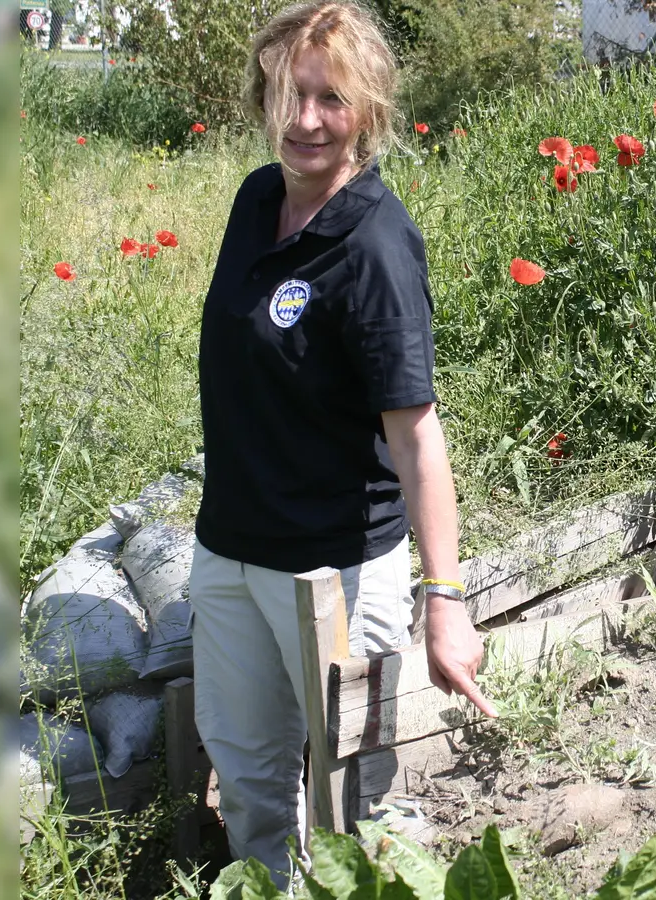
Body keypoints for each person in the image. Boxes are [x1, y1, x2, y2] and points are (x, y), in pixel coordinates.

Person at [187, 0, 495, 886]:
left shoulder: (377, 245)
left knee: (351, 801)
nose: (307, 119)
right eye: (291, 94)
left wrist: (446, 599)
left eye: (331, 99)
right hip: (230, 554)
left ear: (368, 110)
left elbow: (417, 436)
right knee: (247, 784)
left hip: (335, 573)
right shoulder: (256, 202)